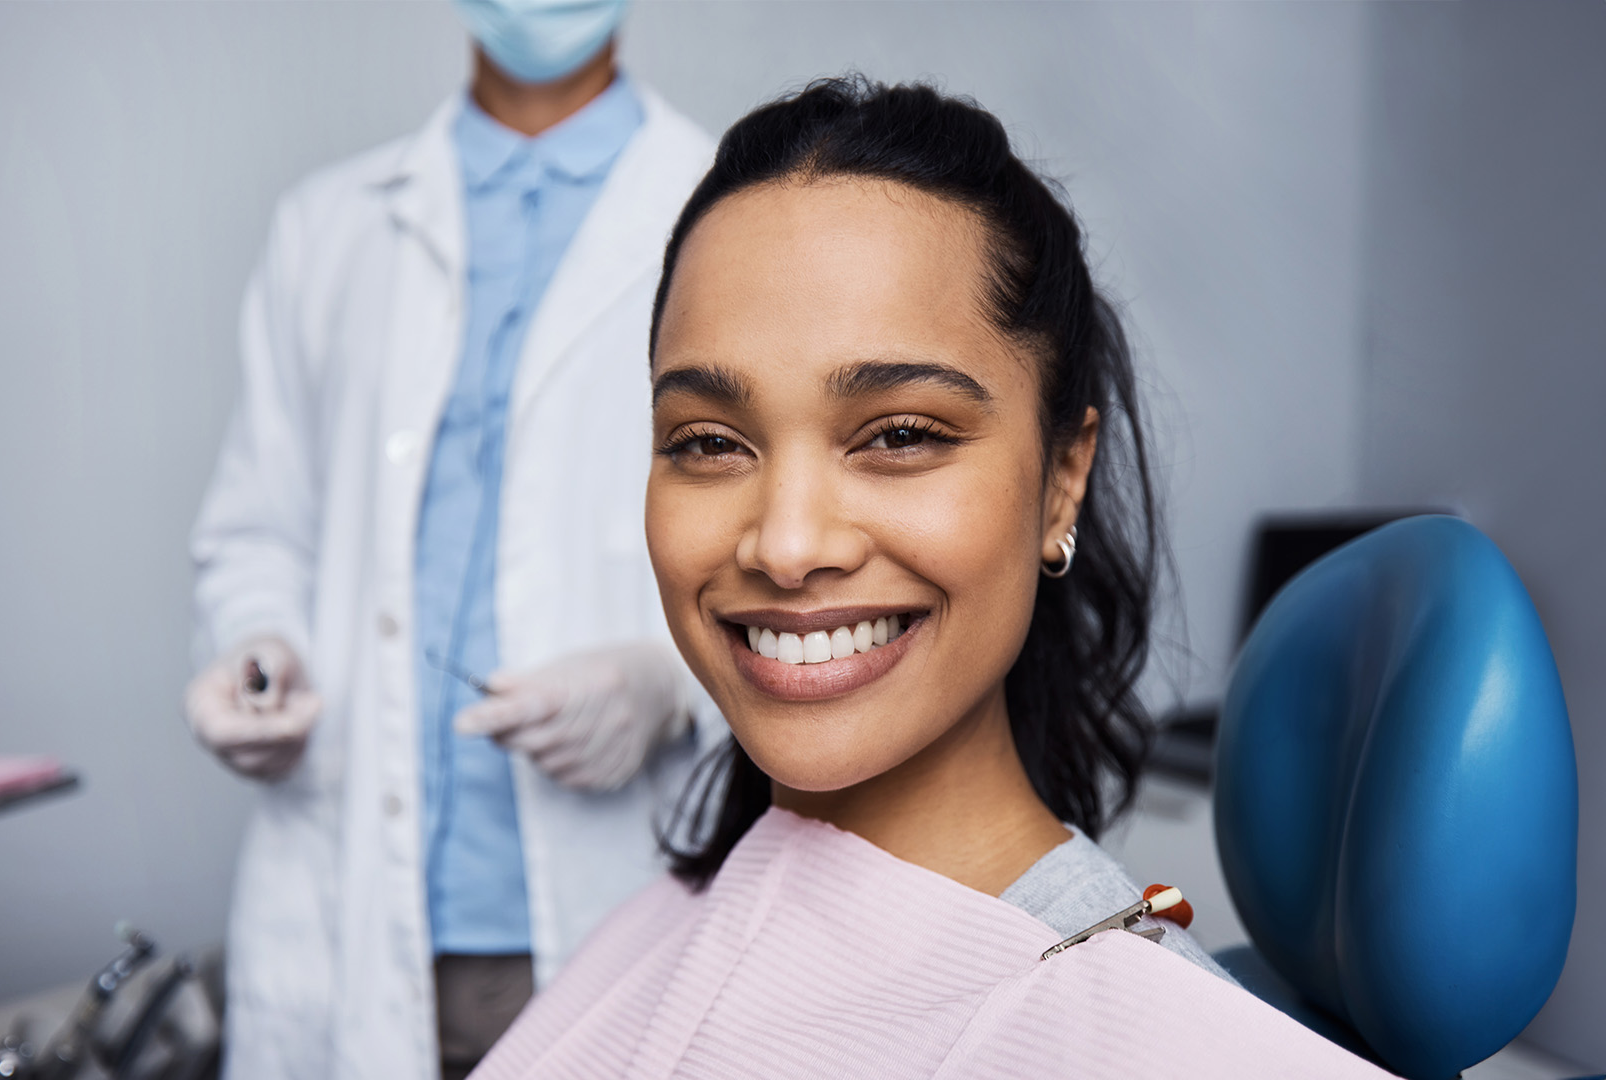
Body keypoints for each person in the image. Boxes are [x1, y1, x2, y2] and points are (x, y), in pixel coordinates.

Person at [470, 78, 1396, 1078]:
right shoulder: (658, 927)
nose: (785, 545)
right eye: (708, 442)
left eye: (902, 435)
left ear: (1060, 481)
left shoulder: (1138, 1031)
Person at [182, 2, 720, 1076]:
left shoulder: (725, 214)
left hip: (599, 909)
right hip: (349, 907)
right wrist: (260, 646)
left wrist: (675, 689)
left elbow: (794, 548)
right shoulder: (329, 225)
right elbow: (258, 528)